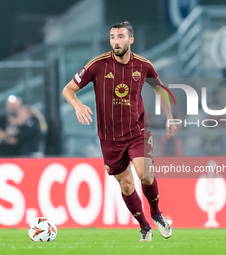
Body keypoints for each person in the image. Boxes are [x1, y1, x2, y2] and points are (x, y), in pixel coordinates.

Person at [62, 21, 176, 241]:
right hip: (109, 137)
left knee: (145, 173)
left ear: (130, 40)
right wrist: (77, 104)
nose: (116, 41)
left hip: (137, 130)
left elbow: (161, 90)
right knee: (126, 184)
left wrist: (170, 117)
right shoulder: (97, 65)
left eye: (121, 37)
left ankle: (156, 213)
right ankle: (144, 226)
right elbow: (68, 89)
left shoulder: (143, 66)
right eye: (113, 37)